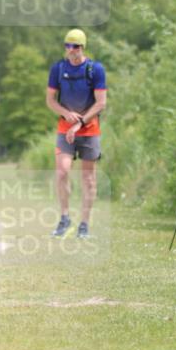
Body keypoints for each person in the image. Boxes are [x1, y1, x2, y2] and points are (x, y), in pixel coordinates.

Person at [46, 29, 107, 238]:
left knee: (88, 179)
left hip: (89, 130)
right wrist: (66, 114)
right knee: (62, 172)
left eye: (75, 46)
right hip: (65, 128)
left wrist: (79, 122)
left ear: (83, 47)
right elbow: (51, 100)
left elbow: (101, 103)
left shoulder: (95, 69)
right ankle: (64, 218)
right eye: (68, 46)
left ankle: (84, 224)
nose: (71, 51)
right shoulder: (58, 68)